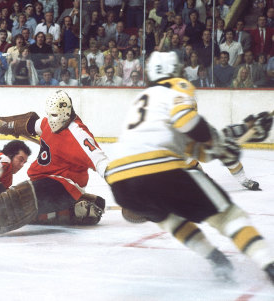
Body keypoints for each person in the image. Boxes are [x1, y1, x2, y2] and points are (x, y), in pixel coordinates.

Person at [105, 50, 274, 283]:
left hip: (120, 183)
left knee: (170, 218)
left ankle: (216, 260)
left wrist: (242, 132)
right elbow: (189, 124)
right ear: (174, 71)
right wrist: (224, 146)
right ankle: (269, 263)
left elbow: (195, 150)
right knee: (227, 215)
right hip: (158, 169)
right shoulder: (176, 86)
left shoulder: (142, 98)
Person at [0, 90, 109, 238]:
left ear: (65, 113)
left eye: (55, 115)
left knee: (20, 199)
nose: (51, 120)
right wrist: (11, 125)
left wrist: (126, 193)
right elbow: (32, 124)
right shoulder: (47, 122)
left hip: (64, 185)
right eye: (49, 114)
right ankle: (73, 210)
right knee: (27, 209)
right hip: (44, 180)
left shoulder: (79, 134)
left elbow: (102, 163)